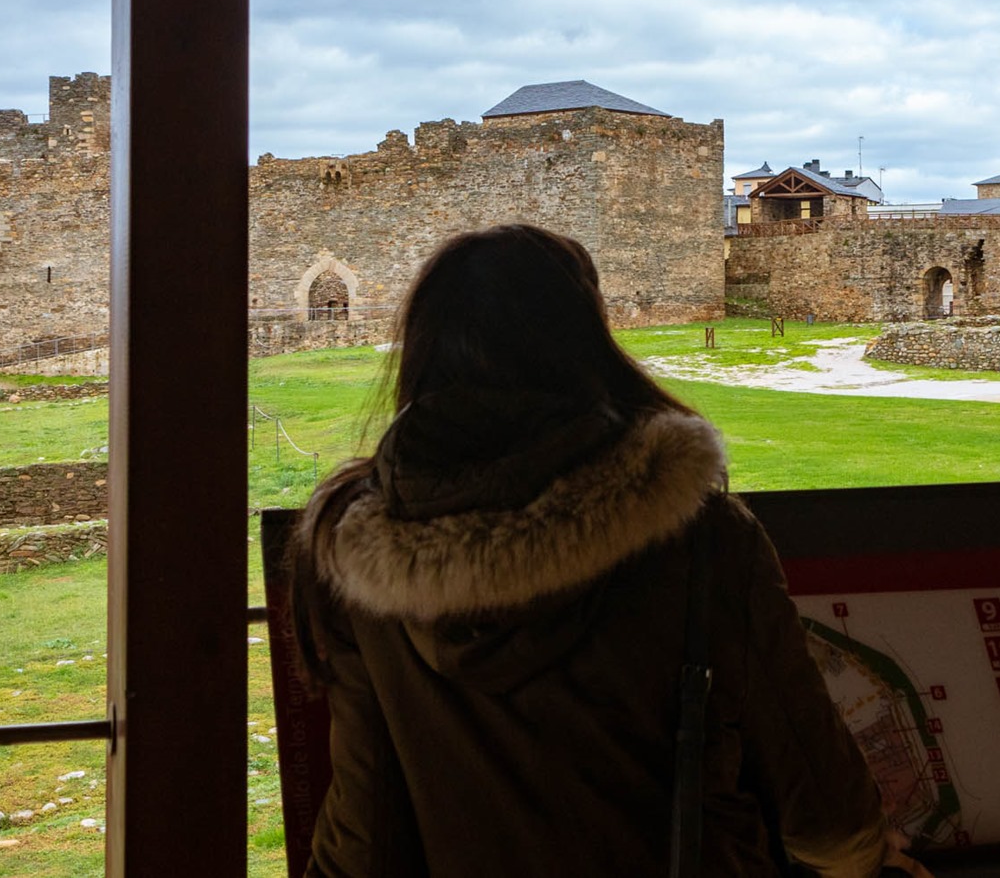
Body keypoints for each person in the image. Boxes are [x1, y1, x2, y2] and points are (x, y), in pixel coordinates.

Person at [290, 223, 930, 877]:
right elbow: (832, 824)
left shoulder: (353, 564)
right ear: (587, 344)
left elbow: (363, 840)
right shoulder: (703, 538)